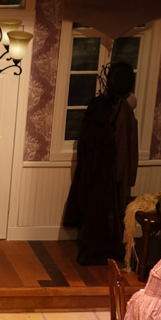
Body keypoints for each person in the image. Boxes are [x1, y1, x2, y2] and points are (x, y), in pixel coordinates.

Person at [62, 61, 139, 266]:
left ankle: (106, 248)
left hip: (106, 170)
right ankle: (98, 249)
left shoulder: (122, 111)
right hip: (98, 170)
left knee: (107, 211)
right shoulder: (102, 109)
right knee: (98, 210)